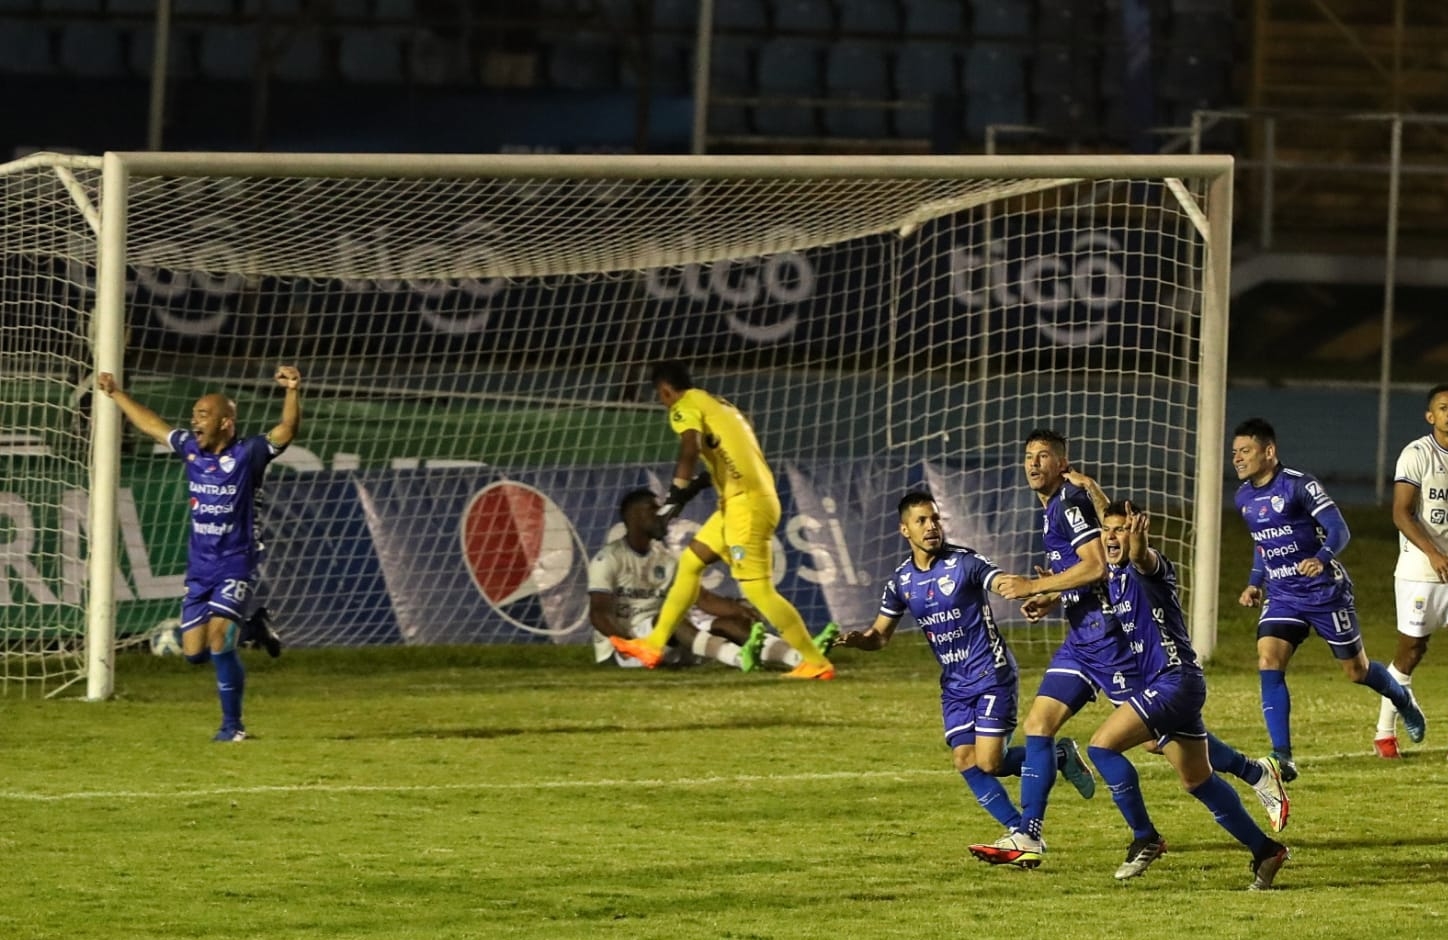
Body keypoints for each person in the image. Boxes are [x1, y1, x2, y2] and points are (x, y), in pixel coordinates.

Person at [1025, 477, 1293, 888]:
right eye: (1107, 532)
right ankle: (1265, 850)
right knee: (1196, 779)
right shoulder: (1112, 576)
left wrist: (1136, 544)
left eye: (1121, 530)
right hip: (1171, 685)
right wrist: (1052, 593)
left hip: (1173, 681)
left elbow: (1141, 557)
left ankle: (1144, 837)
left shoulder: (1149, 568)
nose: (1113, 538)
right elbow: (1100, 553)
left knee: (1101, 746)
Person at [834, 492, 1096, 849]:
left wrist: (1035, 588)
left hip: (991, 673)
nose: (931, 527)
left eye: (935, 519)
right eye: (922, 521)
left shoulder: (964, 562)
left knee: (988, 762)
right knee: (965, 759)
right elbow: (879, 637)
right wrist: (858, 641)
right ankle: (1021, 829)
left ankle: (1029, 825)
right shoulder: (900, 582)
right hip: (955, 685)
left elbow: (1000, 582)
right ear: (904, 530)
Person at [967, 429, 1146, 872]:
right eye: (1028, 456)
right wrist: (1050, 596)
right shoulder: (1052, 507)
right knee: (1038, 725)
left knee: (1171, 744)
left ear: (1062, 464)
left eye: (1043, 456)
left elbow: (1098, 565)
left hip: (1111, 641)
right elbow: (1082, 573)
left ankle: (1252, 771)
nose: (1033, 464)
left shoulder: (1068, 503)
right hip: (1082, 642)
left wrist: (1035, 584)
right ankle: (1029, 834)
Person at [97, 366, 302, 741]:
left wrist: (291, 390)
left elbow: (286, 431)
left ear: (226, 421)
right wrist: (116, 394)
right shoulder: (191, 450)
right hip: (201, 567)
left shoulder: (249, 454)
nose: (195, 422)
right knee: (194, 653)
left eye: (203, 415)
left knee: (220, 641)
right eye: (194, 416)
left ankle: (232, 727)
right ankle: (254, 627)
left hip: (237, 562)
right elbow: (152, 425)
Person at [608, 361, 836, 679]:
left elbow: (690, 447)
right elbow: (728, 454)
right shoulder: (718, 405)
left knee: (759, 592)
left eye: (661, 397)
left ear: (665, 390)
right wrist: (698, 486)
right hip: (740, 503)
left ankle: (815, 661)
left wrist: (675, 494)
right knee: (689, 564)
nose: (663, 402)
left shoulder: (684, 406)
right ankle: (654, 643)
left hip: (747, 506)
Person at [1232, 417, 1424, 781]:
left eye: (1245, 451)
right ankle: (1282, 756)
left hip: (1325, 593)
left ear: (1268, 452)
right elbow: (1263, 544)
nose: (1238, 459)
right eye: (1234, 453)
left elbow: (1339, 529)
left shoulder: (1299, 486)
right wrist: (1254, 583)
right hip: (1283, 594)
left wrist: (1319, 560)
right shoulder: (1243, 496)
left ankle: (1401, 698)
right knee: (1268, 659)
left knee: (1357, 671)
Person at [589, 488, 821, 671]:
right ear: (634, 516)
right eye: (653, 509)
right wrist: (627, 645)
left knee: (732, 624)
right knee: (673, 620)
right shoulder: (608, 559)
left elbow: (702, 598)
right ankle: (740, 659)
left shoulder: (665, 559)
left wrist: (735, 609)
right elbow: (599, 612)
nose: (661, 515)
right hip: (628, 645)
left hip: (667, 638)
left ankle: (798, 658)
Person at [1375, 384, 1448, 757]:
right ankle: (1385, 732)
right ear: (1430, 416)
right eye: (1443, 407)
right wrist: (1434, 554)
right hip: (1421, 568)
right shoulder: (1417, 454)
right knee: (1412, 650)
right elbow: (1401, 512)